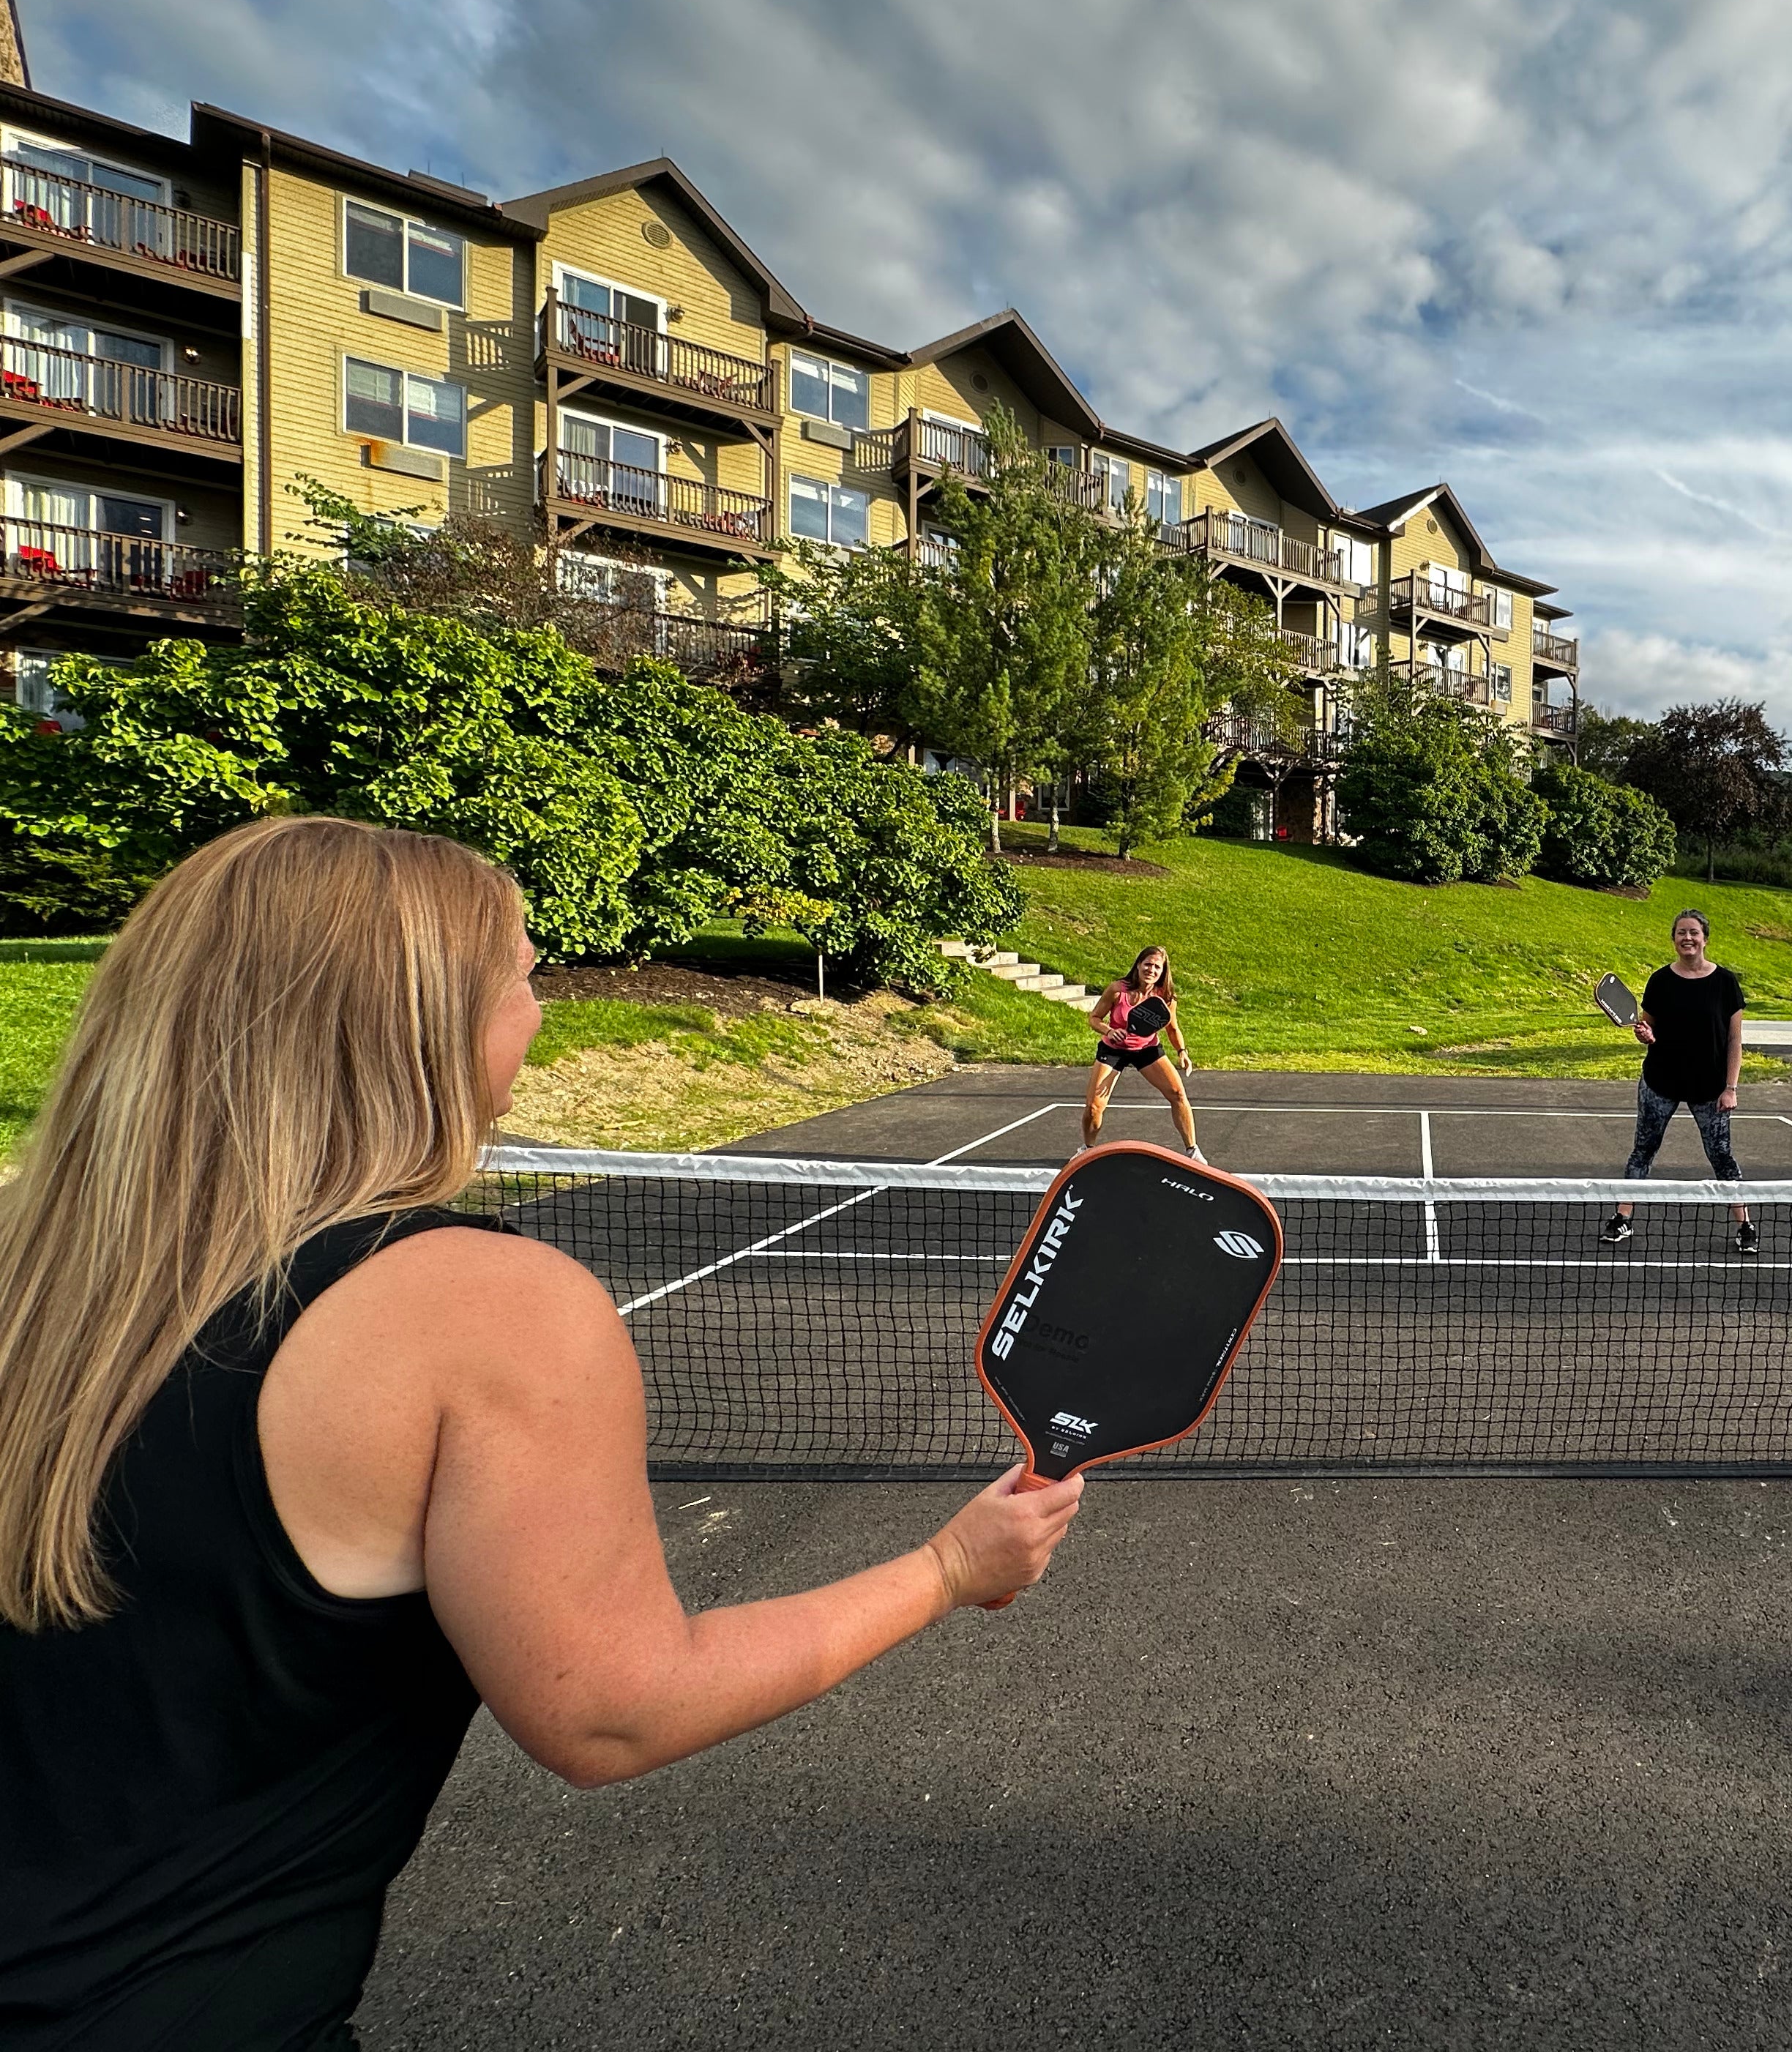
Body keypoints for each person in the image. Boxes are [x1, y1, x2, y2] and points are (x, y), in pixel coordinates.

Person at [0, 816, 1085, 2050]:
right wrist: (949, 1567)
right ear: (417, 1021)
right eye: (523, 972)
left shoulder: (36, 1284)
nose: (542, 1008)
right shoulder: (479, 1307)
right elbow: (610, 1708)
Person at [1605, 909, 1755, 1256]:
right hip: (1661, 1082)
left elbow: (1734, 1041)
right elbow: (1649, 1029)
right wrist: (1645, 1036)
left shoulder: (1726, 983)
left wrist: (1730, 1088)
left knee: (1722, 1157)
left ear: (1705, 937)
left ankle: (1745, 1225)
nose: (1687, 938)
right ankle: (1622, 1218)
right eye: (1681, 933)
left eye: (1694, 932)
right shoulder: (1660, 981)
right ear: (1674, 939)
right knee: (1643, 1151)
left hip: (1711, 1088)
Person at [1082, 944, 1200, 1159]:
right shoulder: (1118, 990)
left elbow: (1172, 1028)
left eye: (1157, 967)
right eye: (1147, 964)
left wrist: (1182, 1051)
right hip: (1113, 1049)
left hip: (1147, 1049)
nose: (1151, 970)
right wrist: (1109, 1031)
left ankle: (1193, 1151)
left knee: (1178, 1095)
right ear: (1138, 965)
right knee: (1094, 1108)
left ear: (1163, 971)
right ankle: (1087, 1150)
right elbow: (1094, 1018)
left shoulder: (1166, 998)